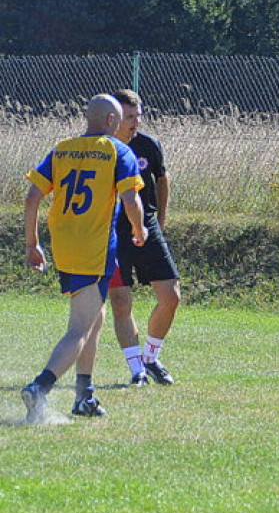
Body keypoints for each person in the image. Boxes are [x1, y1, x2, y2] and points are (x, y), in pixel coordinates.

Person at [21, 94, 147, 423]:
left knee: (95, 318)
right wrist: (139, 229)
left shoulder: (62, 148)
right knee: (79, 327)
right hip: (94, 248)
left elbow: (33, 196)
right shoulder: (119, 151)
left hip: (65, 246)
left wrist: (32, 244)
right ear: (110, 122)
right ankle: (40, 387)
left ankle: (84, 394)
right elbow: (131, 200)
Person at [108, 89, 181, 385]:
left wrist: (160, 218)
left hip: (147, 227)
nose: (134, 122)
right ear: (113, 118)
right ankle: (136, 369)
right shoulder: (102, 149)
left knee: (171, 297)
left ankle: (151, 357)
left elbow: (162, 179)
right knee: (121, 301)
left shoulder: (148, 145)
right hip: (113, 232)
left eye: (138, 116)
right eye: (129, 117)